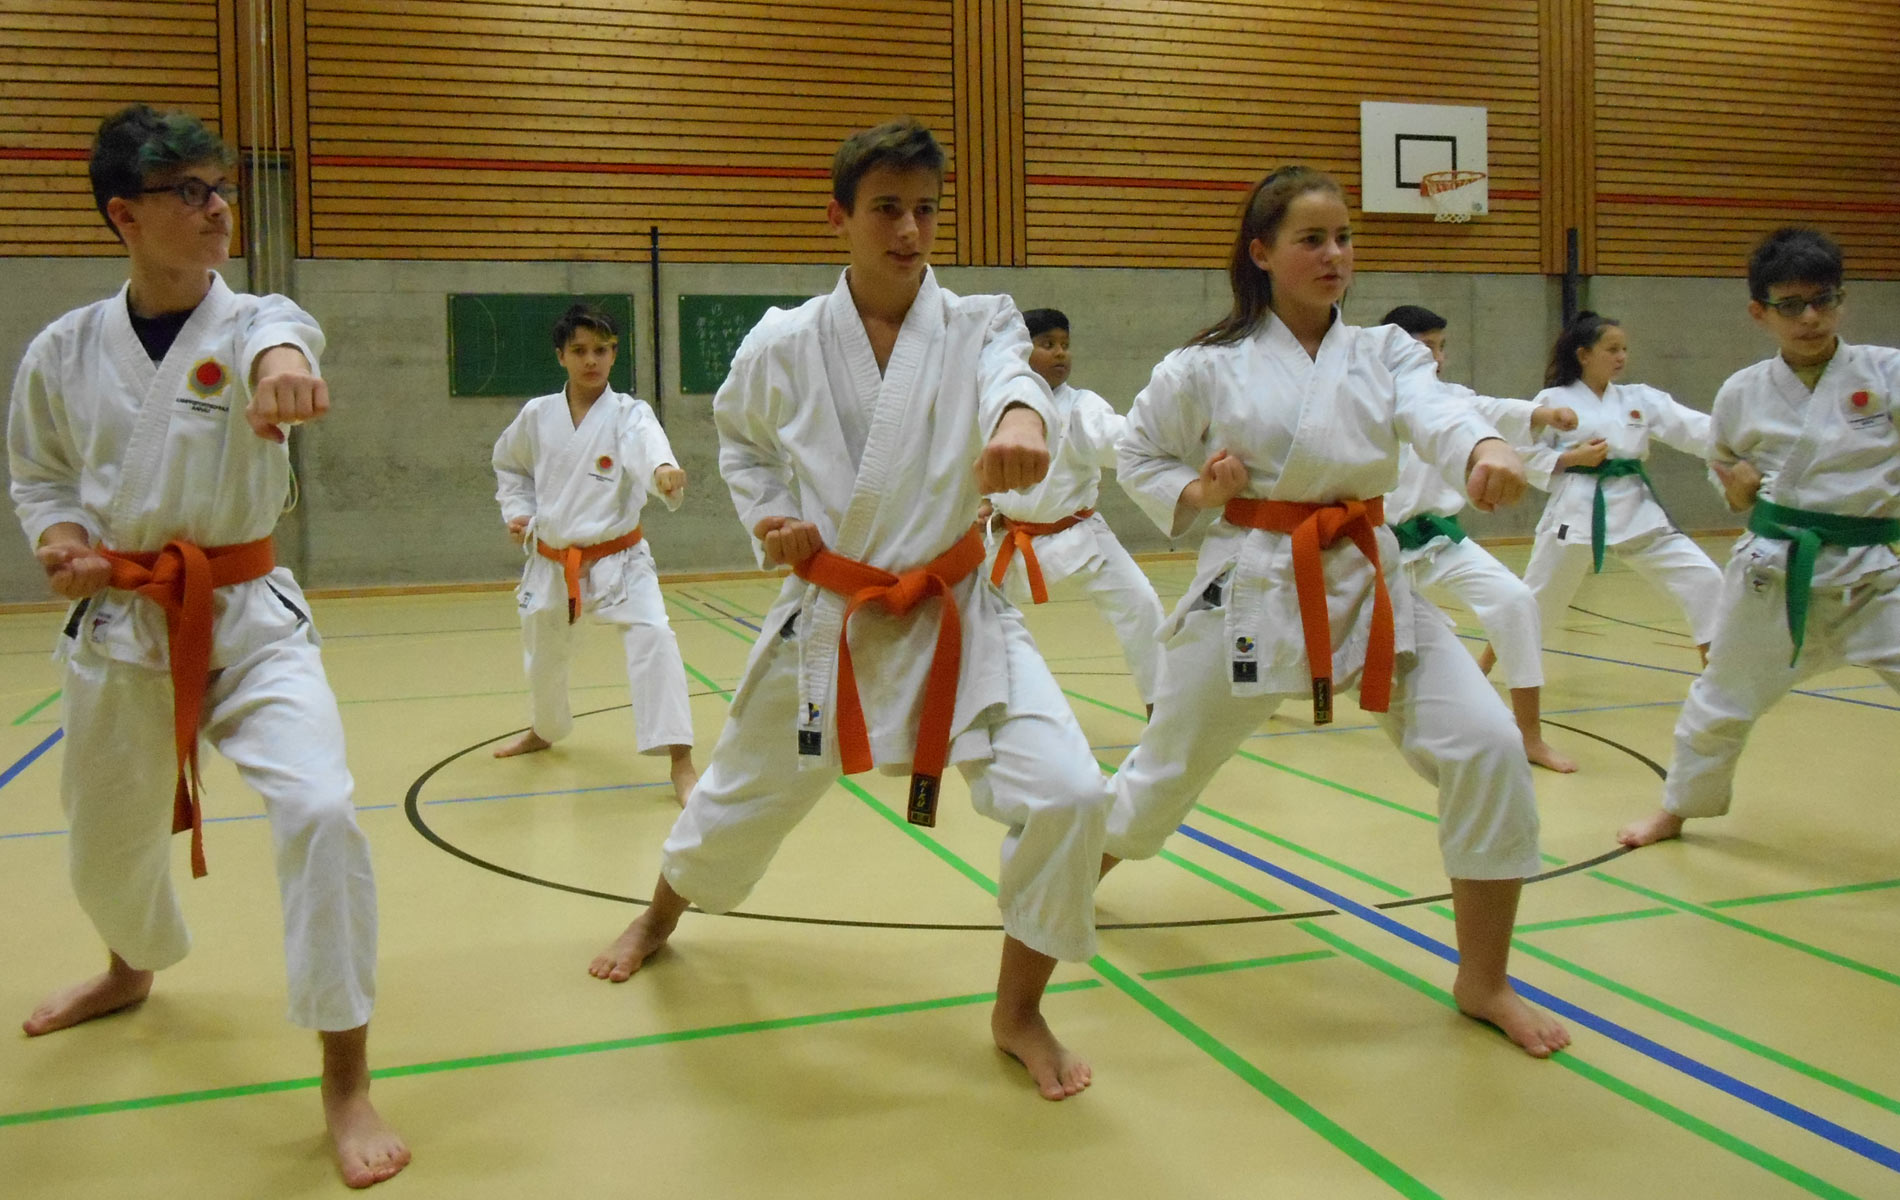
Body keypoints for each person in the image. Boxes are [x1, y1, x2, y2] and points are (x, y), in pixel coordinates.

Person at [587, 119, 1109, 1100]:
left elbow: (1013, 381)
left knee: (1072, 796)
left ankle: (1019, 1008)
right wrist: (771, 516)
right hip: (833, 616)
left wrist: (1021, 418)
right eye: (886, 209)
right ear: (839, 216)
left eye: (924, 210)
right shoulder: (783, 341)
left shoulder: (980, 321)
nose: (909, 231)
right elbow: (738, 441)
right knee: (737, 797)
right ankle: (657, 917)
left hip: (957, 610)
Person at [6, 105, 407, 1187]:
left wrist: (282, 367)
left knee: (322, 812)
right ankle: (128, 966)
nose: (218, 206)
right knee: (100, 849)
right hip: (125, 622)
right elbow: (39, 473)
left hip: (248, 615)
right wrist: (61, 537)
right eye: (189, 191)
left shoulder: (255, 321)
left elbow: (286, 334)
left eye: (221, 187)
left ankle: (345, 1075)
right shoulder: (61, 351)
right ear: (123, 215)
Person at [1102, 166, 1570, 1058]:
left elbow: (1438, 409)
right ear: (1262, 253)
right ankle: (1058, 880)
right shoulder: (1202, 367)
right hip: (1252, 584)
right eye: (1311, 239)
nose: (1334, 255)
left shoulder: (1386, 353)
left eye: (1344, 237)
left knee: (1485, 746)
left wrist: (1486, 445)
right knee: (1159, 785)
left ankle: (1484, 978)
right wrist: (1200, 486)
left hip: (1369, 581)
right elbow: (1138, 453)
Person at [1619, 228, 1900, 846]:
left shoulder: (1886, 374)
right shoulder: (1741, 393)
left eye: (1823, 300)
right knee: (1721, 697)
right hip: (1773, 572)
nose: (1811, 317)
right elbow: (1728, 476)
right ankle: (1677, 810)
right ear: (1760, 312)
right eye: (1791, 305)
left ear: (1842, 300)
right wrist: (1738, 492)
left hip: (1872, 574)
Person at [491, 304, 698, 803]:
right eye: (580, 351)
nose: (591, 361)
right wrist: (516, 511)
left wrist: (663, 471)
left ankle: (682, 762)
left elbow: (648, 447)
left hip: (619, 560)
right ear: (561, 356)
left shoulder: (629, 413)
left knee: (656, 639)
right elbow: (510, 467)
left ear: (614, 353)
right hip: (551, 560)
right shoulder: (538, 415)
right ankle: (545, 729)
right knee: (544, 656)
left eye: (601, 350)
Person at [1380, 305, 1580, 773]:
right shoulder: (1361, 404)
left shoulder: (1449, 398)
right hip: (1374, 549)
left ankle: (1529, 733)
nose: (1437, 357)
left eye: (1441, 346)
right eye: (1425, 346)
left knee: (1514, 600)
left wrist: (1543, 412)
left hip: (1437, 540)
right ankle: (1269, 693)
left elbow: (1493, 409)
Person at [1500, 312, 1722, 668]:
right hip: (1576, 510)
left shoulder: (1640, 399)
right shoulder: (1554, 400)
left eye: (1624, 350)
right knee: (1538, 600)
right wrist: (1572, 458)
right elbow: (1521, 454)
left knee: (1704, 578)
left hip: (1637, 510)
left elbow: (1694, 428)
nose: (1621, 357)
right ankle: (1490, 663)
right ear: (1584, 354)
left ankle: (1716, 671)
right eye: (1612, 349)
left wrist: (1742, 443)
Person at [984, 307, 1166, 715]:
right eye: (1047, 344)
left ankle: (1163, 704)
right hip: (1007, 538)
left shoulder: (1082, 407)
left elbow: (1120, 440)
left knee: (1141, 604)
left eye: (1065, 345)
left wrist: (1165, 429)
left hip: (1079, 534)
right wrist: (980, 504)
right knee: (973, 619)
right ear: (1018, 351)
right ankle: (982, 706)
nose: (1061, 354)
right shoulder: (992, 406)